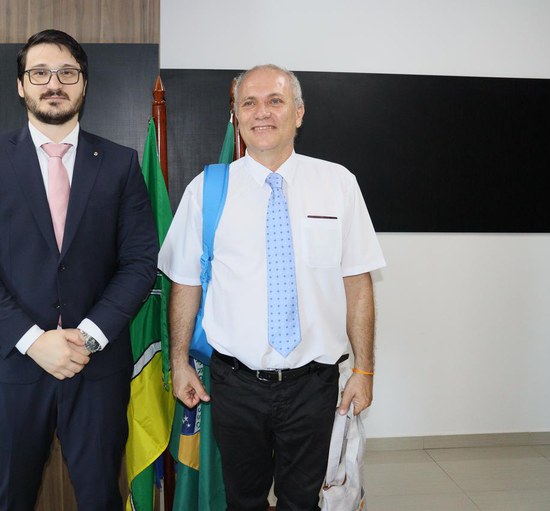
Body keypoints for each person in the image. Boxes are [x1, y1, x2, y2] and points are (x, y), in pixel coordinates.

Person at [0, 29, 158, 510]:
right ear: (21, 85)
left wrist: (87, 336)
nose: (53, 83)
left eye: (67, 72)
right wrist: (33, 340)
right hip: (10, 371)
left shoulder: (121, 165)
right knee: (8, 500)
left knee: (102, 497)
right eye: (39, 73)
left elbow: (140, 262)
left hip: (97, 368)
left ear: (84, 84)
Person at [158, 64, 386, 510]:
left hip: (314, 385)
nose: (262, 113)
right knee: (243, 500)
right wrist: (180, 361)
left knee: (303, 500)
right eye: (249, 103)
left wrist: (364, 369)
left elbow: (358, 283)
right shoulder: (208, 189)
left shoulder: (338, 184)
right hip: (235, 384)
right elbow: (185, 283)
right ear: (237, 115)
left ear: (298, 113)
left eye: (275, 101)